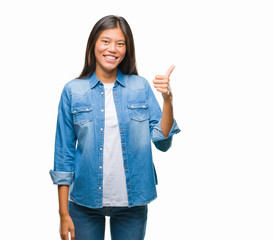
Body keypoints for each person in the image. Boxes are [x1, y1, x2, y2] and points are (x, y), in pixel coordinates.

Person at [49, 15, 180, 240]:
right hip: (83, 202)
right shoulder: (73, 91)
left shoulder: (140, 86)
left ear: (127, 49)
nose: (113, 49)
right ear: (93, 45)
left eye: (120, 43)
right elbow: (64, 156)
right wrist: (63, 213)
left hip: (133, 201)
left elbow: (163, 142)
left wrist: (167, 99)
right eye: (106, 41)